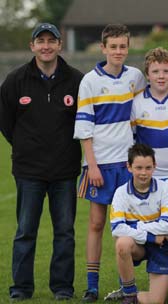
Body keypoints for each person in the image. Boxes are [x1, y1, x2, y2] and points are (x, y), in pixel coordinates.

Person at [0, 23, 83, 301]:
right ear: (32, 46)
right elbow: (6, 123)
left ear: (60, 45)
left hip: (64, 170)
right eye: (41, 41)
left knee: (64, 233)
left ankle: (62, 287)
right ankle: (21, 289)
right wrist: (26, 146)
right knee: (25, 232)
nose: (46, 46)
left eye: (51, 40)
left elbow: (84, 123)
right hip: (29, 171)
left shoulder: (77, 80)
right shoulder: (15, 80)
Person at [74, 24, 147, 301]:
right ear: (103, 48)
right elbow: (84, 126)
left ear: (128, 48)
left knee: (126, 225)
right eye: (113, 46)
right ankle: (92, 285)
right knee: (96, 224)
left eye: (123, 46)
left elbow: (140, 115)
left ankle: (124, 284)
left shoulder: (136, 77)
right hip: (100, 164)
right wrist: (91, 165)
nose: (118, 51)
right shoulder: (90, 80)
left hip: (127, 164)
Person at [110, 143, 168, 304]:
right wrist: (150, 237)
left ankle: (135, 296)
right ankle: (129, 295)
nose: (143, 173)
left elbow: (167, 225)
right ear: (129, 167)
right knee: (122, 243)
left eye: (148, 168)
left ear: (154, 167)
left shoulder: (165, 188)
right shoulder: (120, 193)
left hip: (162, 247)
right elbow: (117, 228)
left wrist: (136, 226)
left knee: (157, 301)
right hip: (144, 244)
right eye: (138, 168)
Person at [131, 47, 168, 179]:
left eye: (166, 71)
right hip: (149, 174)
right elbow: (133, 139)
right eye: (155, 71)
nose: (161, 76)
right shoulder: (137, 103)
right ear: (147, 75)